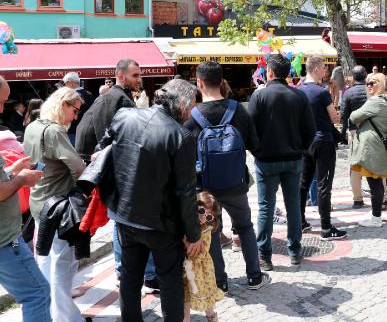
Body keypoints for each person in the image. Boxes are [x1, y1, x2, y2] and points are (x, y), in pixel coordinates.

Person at [97, 79, 203, 322]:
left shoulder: (125, 116)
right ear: (183, 105)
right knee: (169, 281)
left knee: (131, 277)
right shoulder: (181, 136)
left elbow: (103, 146)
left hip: (126, 215)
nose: (192, 112)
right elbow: (186, 192)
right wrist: (193, 234)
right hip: (160, 224)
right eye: (192, 107)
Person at [184, 61, 269, 290]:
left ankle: (220, 282)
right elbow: (254, 144)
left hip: (205, 188)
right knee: (245, 227)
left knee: (211, 231)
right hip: (236, 183)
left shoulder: (193, 117)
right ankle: (254, 276)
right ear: (222, 81)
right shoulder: (237, 109)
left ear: (199, 83)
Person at [74, 59, 158, 292]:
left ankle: (127, 271)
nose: (139, 79)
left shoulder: (109, 96)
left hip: (110, 167)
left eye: (139, 75)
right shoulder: (119, 99)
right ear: (121, 76)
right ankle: (142, 273)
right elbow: (119, 137)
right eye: (135, 75)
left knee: (121, 221)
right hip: (117, 170)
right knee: (129, 220)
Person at [23, 87, 87, 322]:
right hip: (59, 206)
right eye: (75, 110)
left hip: (39, 202)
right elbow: (79, 168)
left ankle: (50, 313)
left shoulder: (32, 126)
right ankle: (65, 317)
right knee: (62, 264)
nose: (76, 116)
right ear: (63, 105)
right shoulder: (55, 132)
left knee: (45, 261)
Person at [248, 54, 315, 271]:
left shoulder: (259, 96)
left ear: (270, 72)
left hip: (266, 159)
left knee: (266, 207)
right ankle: (294, 251)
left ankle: (264, 255)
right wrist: (301, 149)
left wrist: (257, 150)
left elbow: (251, 130)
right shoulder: (298, 96)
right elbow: (310, 131)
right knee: (293, 205)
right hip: (293, 158)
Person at [0, 76, 49, 322]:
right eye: (0, 101)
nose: (2, 108)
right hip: (4, 240)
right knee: (37, 294)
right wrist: (21, 180)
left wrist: (12, 170)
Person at [299, 55, 346, 241]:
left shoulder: (299, 91)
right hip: (323, 141)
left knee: (303, 184)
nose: (325, 72)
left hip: (305, 142)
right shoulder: (322, 93)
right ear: (316, 69)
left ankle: (300, 221)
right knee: (324, 184)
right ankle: (326, 228)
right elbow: (335, 117)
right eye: (324, 68)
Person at [349, 73, 387, 227]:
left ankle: (376, 218)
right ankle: (375, 212)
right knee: (376, 182)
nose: (369, 86)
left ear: (382, 84)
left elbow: (354, 116)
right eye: (368, 83)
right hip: (381, 147)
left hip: (374, 148)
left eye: (373, 83)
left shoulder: (376, 101)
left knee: (374, 183)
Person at [183, 192, 224, 322]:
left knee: (206, 296)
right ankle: (186, 319)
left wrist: (184, 241)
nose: (203, 218)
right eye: (201, 211)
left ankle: (212, 317)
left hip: (201, 270)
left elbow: (198, 253)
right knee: (185, 297)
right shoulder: (187, 225)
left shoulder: (206, 229)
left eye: (209, 216)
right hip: (186, 269)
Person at [340, 66, 368, 208]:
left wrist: (342, 134)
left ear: (353, 77)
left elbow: (344, 116)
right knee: (374, 163)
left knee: (355, 165)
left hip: (354, 131)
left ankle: (357, 198)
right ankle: (381, 197)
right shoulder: (371, 91)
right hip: (371, 132)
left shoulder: (348, 93)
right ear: (365, 75)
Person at [62, 72, 94, 145]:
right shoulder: (89, 94)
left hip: (72, 131)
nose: (64, 86)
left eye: (65, 83)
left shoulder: (71, 96)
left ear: (72, 83)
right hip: (87, 131)